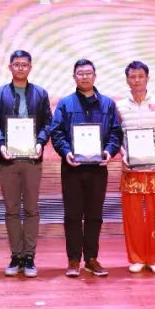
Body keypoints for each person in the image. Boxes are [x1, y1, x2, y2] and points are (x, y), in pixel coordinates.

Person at [49, 59, 122, 278]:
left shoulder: (108, 104)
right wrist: (66, 152)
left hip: (98, 168)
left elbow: (115, 133)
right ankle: (73, 259)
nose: (84, 77)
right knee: (72, 215)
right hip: (72, 167)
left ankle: (91, 258)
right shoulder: (65, 103)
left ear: (95, 76)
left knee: (94, 215)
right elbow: (57, 132)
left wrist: (109, 151)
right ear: (74, 77)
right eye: (80, 73)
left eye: (88, 73)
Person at [0, 50, 52, 278]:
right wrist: (1, 144)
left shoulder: (41, 93)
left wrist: (41, 142)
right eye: (16, 64)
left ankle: (29, 256)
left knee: (32, 209)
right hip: (8, 159)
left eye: (25, 64)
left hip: (32, 158)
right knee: (12, 209)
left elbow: (48, 123)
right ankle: (16, 255)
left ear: (30, 67)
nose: (21, 68)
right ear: (10, 67)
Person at [116, 61, 155, 275]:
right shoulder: (119, 107)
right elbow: (115, 136)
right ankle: (137, 258)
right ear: (127, 80)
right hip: (131, 171)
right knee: (132, 217)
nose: (137, 80)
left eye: (140, 76)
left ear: (147, 78)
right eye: (132, 77)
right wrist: (123, 154)